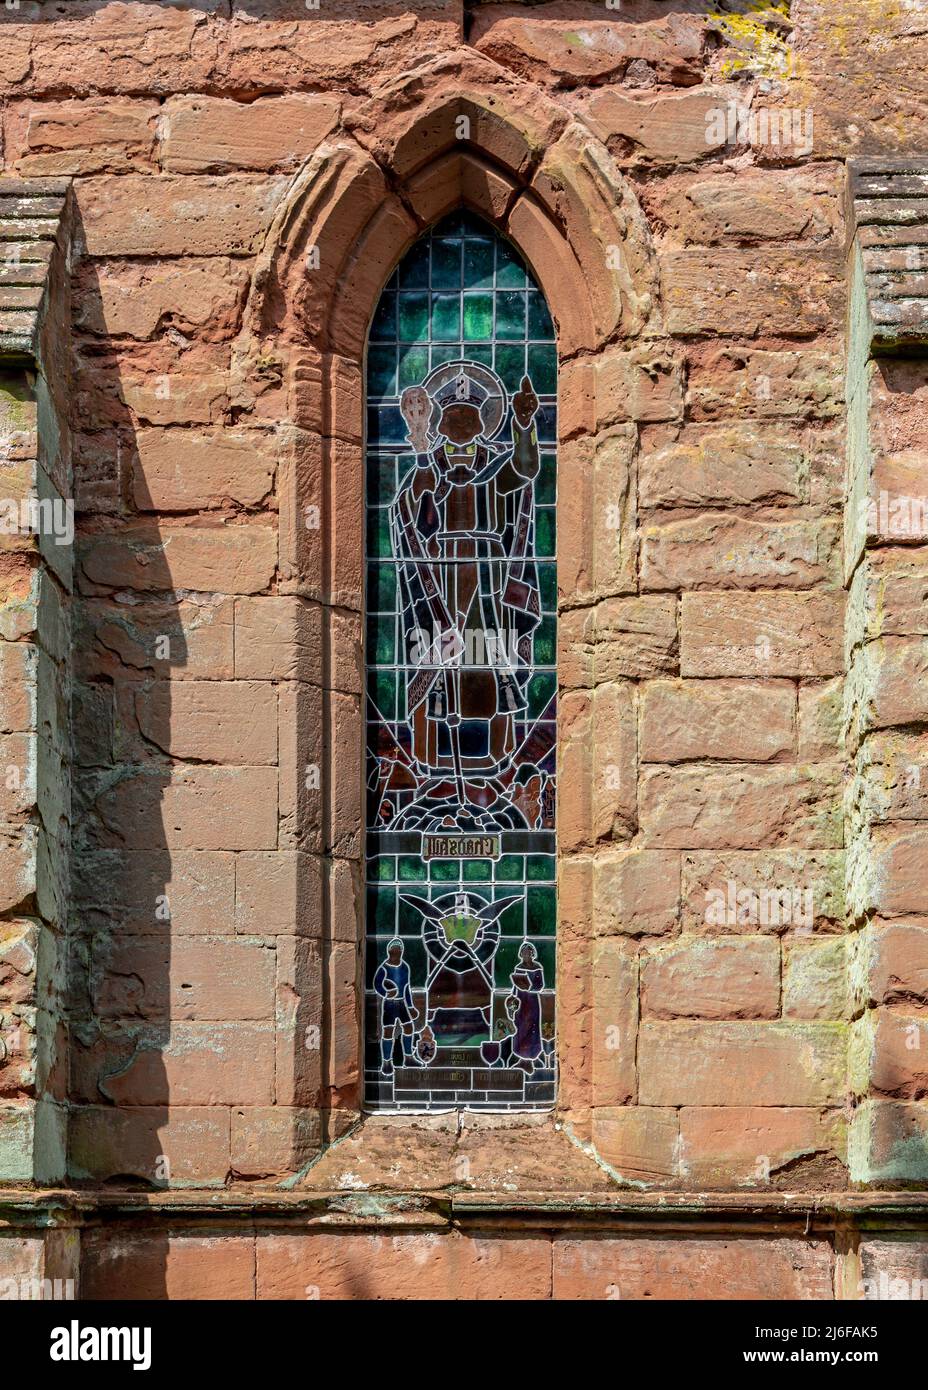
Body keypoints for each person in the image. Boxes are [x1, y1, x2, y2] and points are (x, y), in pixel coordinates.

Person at [373, 939, 419, 1076]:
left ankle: (409, 1058)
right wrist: (386, 993)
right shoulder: (384, 968)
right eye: (394, 951)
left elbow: (406, 988)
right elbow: (377, 984)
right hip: (389, 1004)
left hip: (401, 1003)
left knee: (409, 1027)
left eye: (399, 951)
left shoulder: (404, 967)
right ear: (389, 952)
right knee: (388, 1031)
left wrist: (410, 1006)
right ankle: (387, 1062)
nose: (397, 953)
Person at [509, 941, 544, 1073]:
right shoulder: (519, 967)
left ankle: (530, 1060)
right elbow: (514, 987)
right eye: (523, 953)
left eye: (528, 952)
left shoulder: (537, 967)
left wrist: (530, 987)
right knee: (520, 1029)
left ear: (532, 954)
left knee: (532, 1029)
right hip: (521, 1002)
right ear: (521, 954)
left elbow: (540, 986)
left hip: (532, 1002)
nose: (525, 954)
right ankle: (521, 1060)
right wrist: (512, 1003)